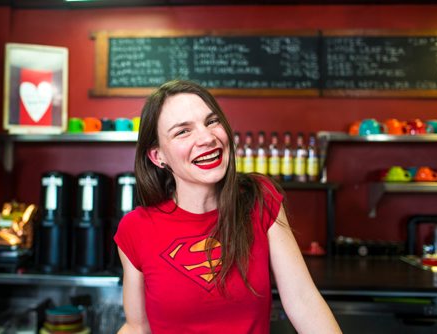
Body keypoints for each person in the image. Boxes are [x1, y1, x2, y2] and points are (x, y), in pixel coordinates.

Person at [114, 80, 341, 334]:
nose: (207, 138)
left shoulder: (259, 198)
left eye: (212, 121)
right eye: (183, 131)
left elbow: (303, 301)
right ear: (158, 156)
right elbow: (137, 326)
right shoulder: (136, 228)